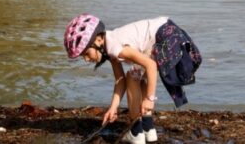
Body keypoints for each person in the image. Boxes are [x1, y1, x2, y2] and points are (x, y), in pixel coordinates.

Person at [64, 14, 201, 144]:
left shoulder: (115, 48)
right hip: (169, 32)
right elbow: (119, 80)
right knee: (138, 74)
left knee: (133, 76)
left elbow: (151, 65)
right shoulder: (110, 47)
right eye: (83, 56)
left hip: (165, 36)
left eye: (86, 53)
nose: (87, 59)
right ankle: (148, 128)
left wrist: (149, 98)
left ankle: (136, 133)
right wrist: (113, 108)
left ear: (99, 40)